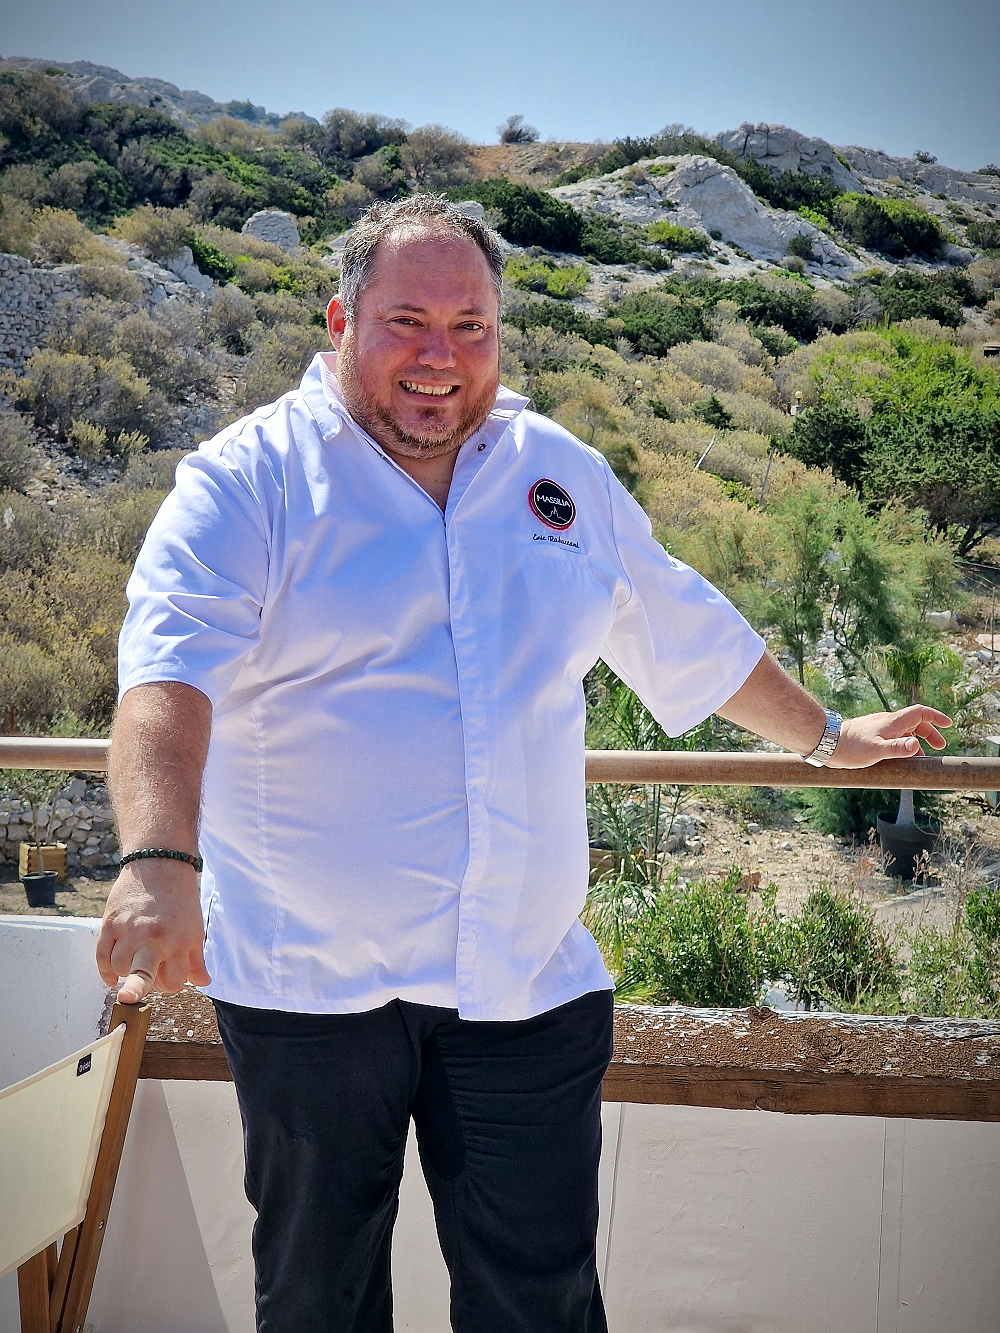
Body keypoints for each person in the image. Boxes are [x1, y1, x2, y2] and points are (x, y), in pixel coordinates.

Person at [97, 195, 950, 1333]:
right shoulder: (247, 478)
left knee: (538, 1299)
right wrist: (159, 859)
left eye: (472, 326)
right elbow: (166, 679)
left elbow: (679, 623)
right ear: (340, 318)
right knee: (316, 1294)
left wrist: (828, 736)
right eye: (407, 322)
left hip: (521, 981)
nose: (439, 358)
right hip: (311, 985)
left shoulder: (558, 473)